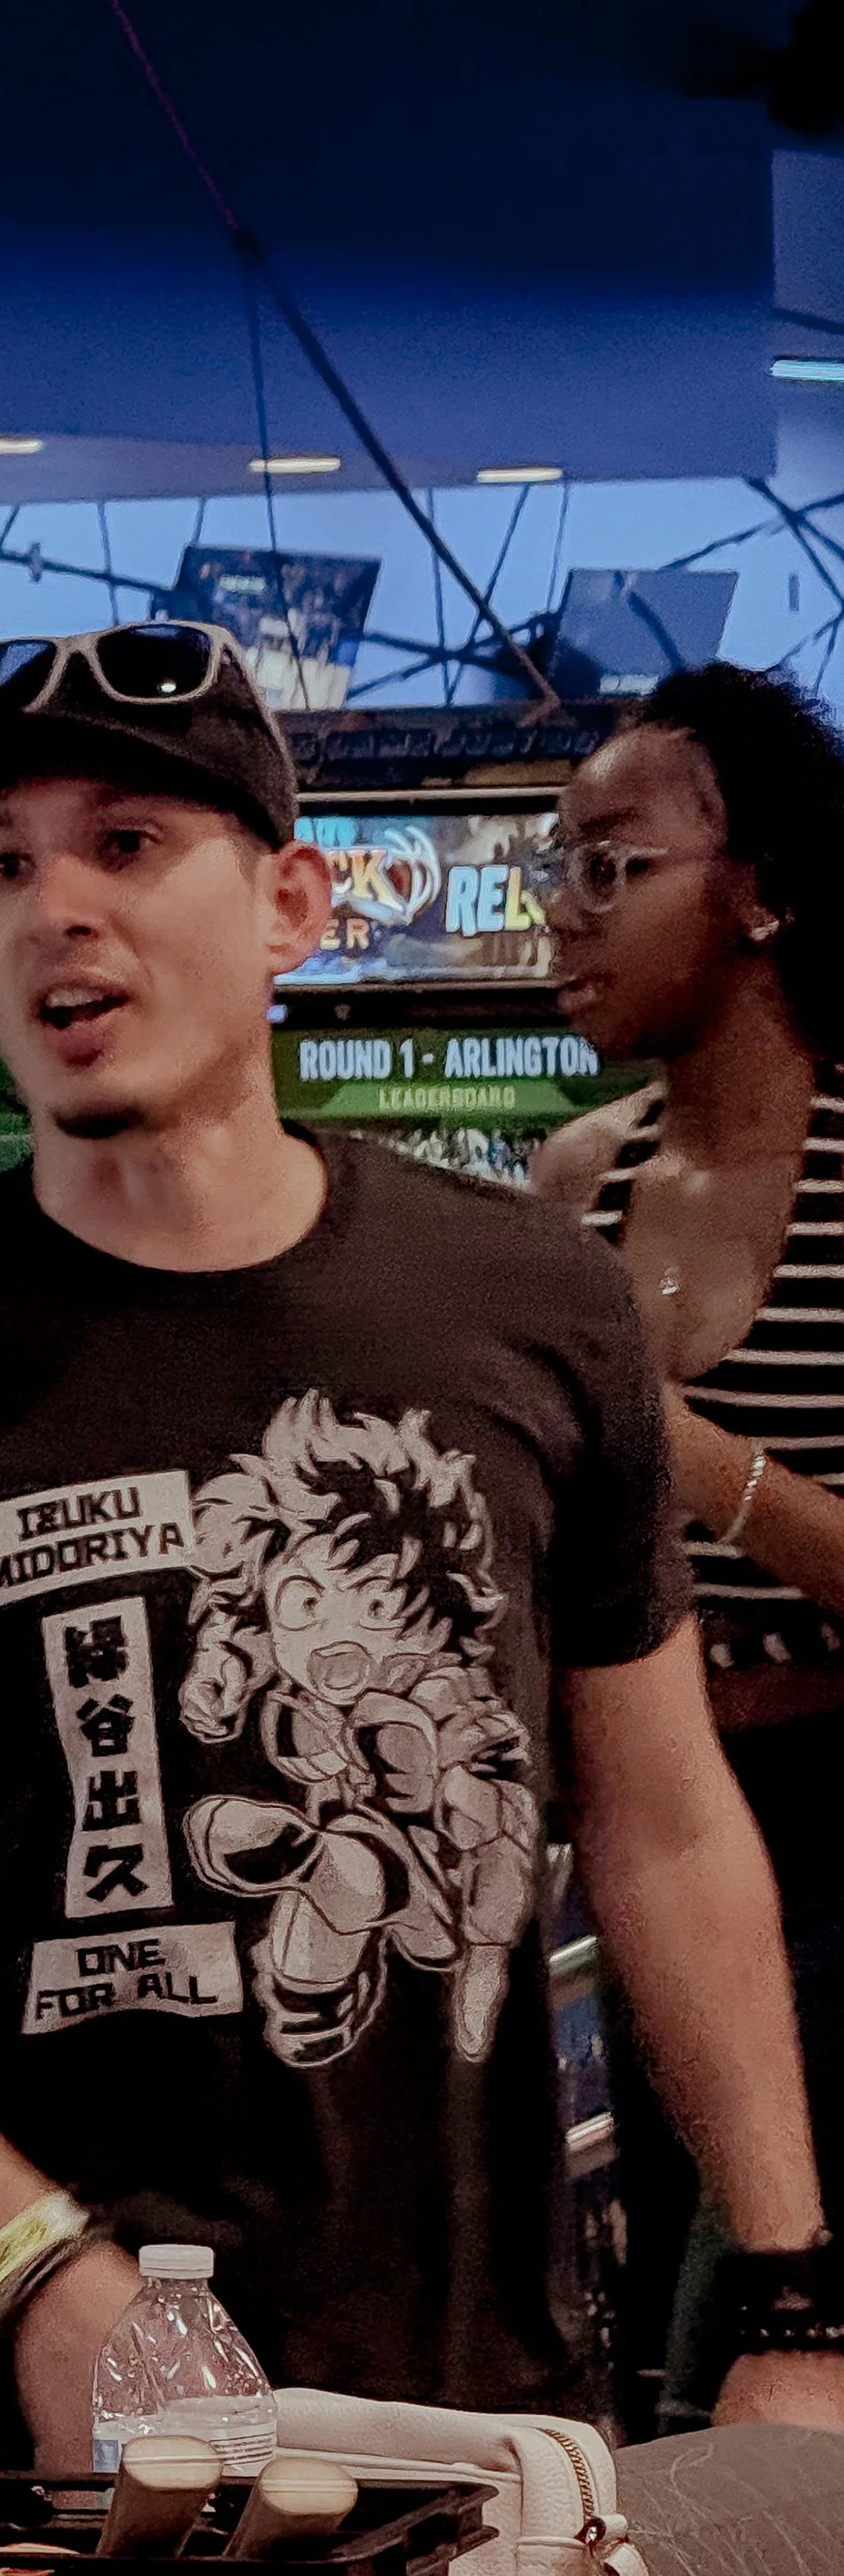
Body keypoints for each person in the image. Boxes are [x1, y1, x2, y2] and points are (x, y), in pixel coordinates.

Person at [0, 620, 844, 2466]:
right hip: (73, 2453)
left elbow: (659, 1818)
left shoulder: (527, 1301)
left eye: (126, 843)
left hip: (504, 2414)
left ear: (292, 904)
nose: (52, 903)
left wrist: (790, 2288)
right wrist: (40, 2272)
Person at [533, 664, 844, 2413]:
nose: (563, 914)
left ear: (766, 891)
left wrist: (689, 1451)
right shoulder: (579, 1181)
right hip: (655, 1831)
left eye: (612, 864)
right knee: (676, 2335)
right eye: (556, 864)